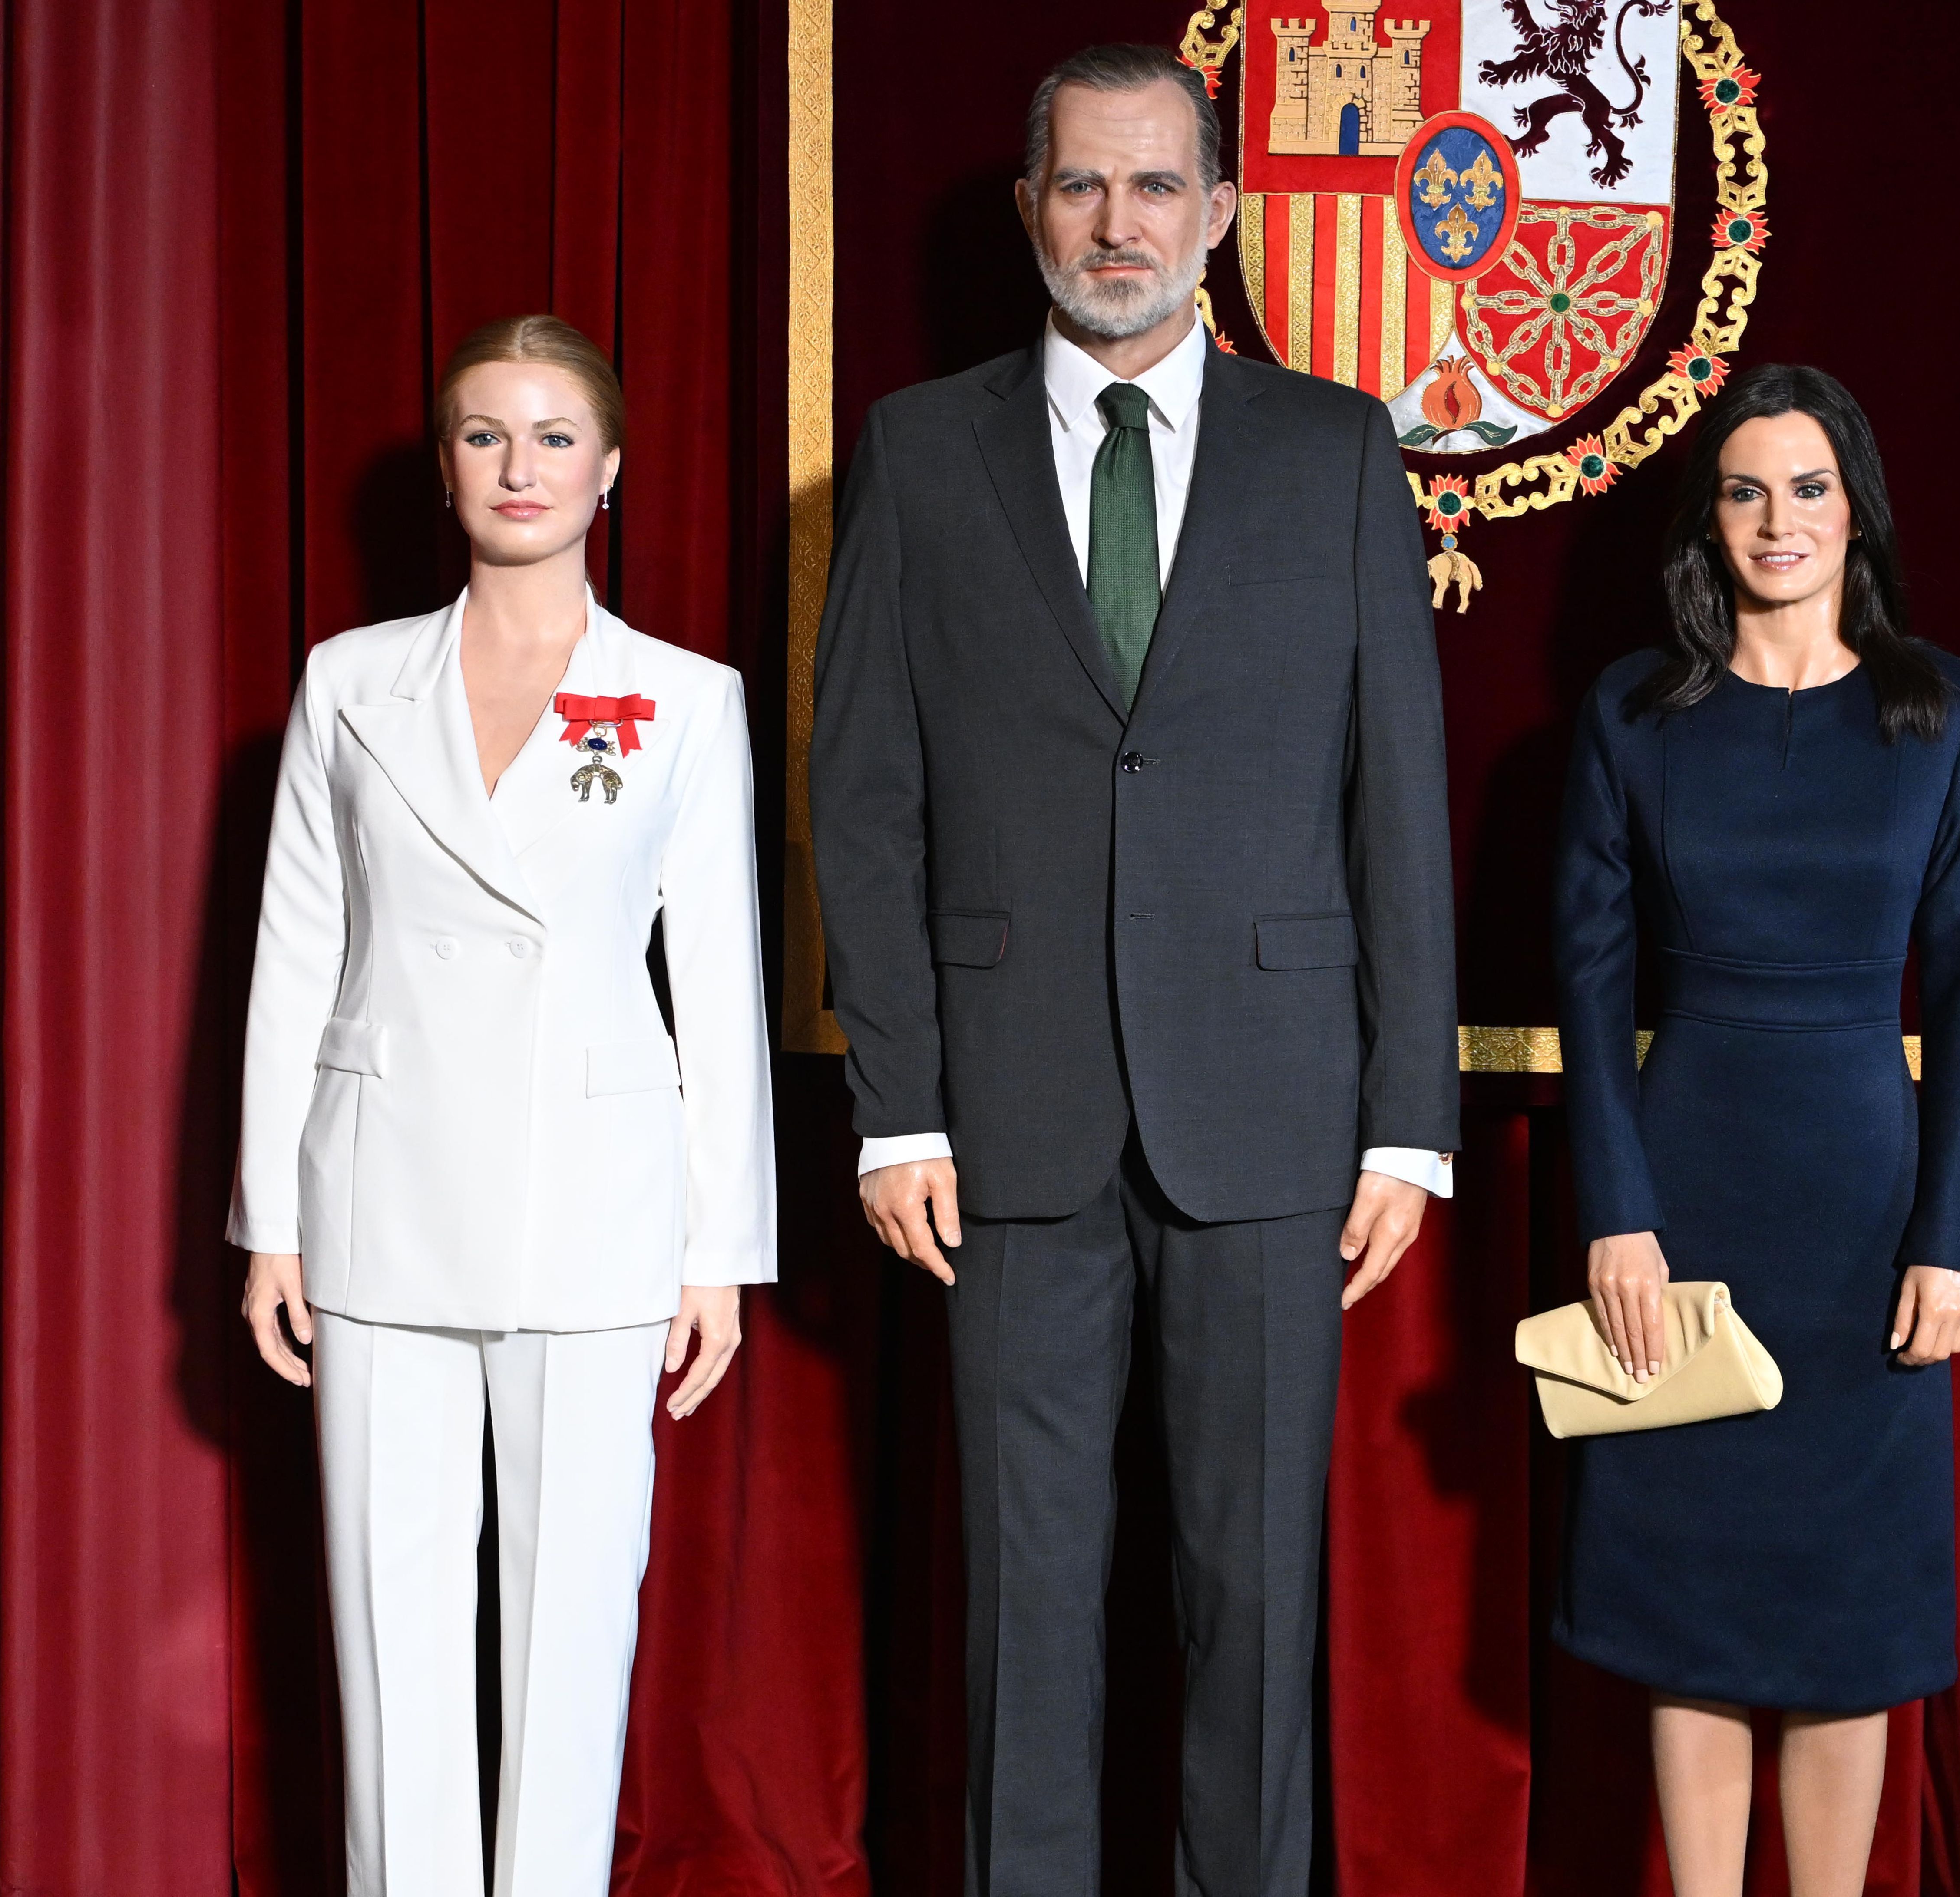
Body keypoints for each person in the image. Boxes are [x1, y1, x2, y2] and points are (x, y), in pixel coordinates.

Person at [809, 44, 1458, 1897]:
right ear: (1031, 208)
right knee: (1023, 1600)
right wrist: (897, 1104)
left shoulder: (1335, 449)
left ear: (1220, 215)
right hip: (1001, 1121)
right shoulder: (917, 451)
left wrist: (1407, 1120)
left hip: (1273, 1113)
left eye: (1158, 187)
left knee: (1252, 1595)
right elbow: (864, 797)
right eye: (1083, 186)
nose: (1120, 224)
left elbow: (1395, 797)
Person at [229, 314, 774, 1896]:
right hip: (378, 1198)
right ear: (445, 466)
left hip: (599, 1212)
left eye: (552, 436)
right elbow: (295, 953)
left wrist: (720, 1248)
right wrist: (272, 1220)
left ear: (610, 471)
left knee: (570, 1645)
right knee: (389, 1646)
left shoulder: (687, 697)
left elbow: (719, 979)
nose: (518, 466)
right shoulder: (349, 682)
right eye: (485, 434)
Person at [1552, 364, 1960, 1897]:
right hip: (1683, 1191)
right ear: (1710, 519)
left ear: (1855, 509)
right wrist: (1618, 1212)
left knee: (1845, 1618)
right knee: (1689, 1605)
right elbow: (1589, 982)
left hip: (1869, 1210)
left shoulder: (1945, 711)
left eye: (1808, 487)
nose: (1778, 520)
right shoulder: (1633, 710)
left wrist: (1952, 1239)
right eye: (1746, 491)